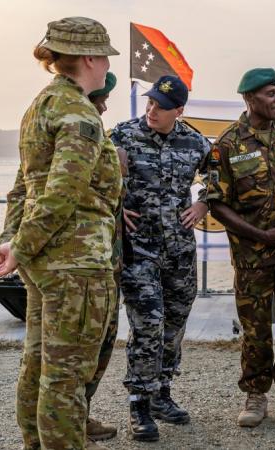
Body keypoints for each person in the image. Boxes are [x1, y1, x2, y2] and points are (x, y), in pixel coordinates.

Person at [0, 17, 121, 450]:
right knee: (67, 376)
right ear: (89, 57)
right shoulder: (78, 112)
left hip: (46, 261)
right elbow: (64, 193)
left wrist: (13, 242)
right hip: (76, 263)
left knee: (38, 364)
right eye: (104, 57)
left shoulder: (41, 105)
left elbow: (23, 188)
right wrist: (19, 246)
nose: (106, 65)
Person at [207, 68, 275, 430]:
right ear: (250, 99)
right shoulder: (227, 145)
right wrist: (259, 235)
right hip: (254, 256)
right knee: (255, 329)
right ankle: (255, 394)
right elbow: (217, 204)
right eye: (271, 94)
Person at [109, 75, 211, 442]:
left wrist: (203, 202)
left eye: (161, 107)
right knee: (148, 323)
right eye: (150, 103)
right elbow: (95, 177)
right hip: (140, 250)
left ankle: (161, 395)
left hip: (179, 251)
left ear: (178, 111)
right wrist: (116, 207)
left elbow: (220, 177)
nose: (152, 111)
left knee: (174, 324)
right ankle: (138, 403)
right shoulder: (121, 136)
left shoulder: (195, 141)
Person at [82, 71, 124, 441]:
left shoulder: (103, 143)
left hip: (109, 264)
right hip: (84, 265)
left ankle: (82, 415)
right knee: (79, 351)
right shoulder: (79, 138)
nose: (104, 106)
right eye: (100, 100)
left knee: (102, 344)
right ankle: (69, 423)